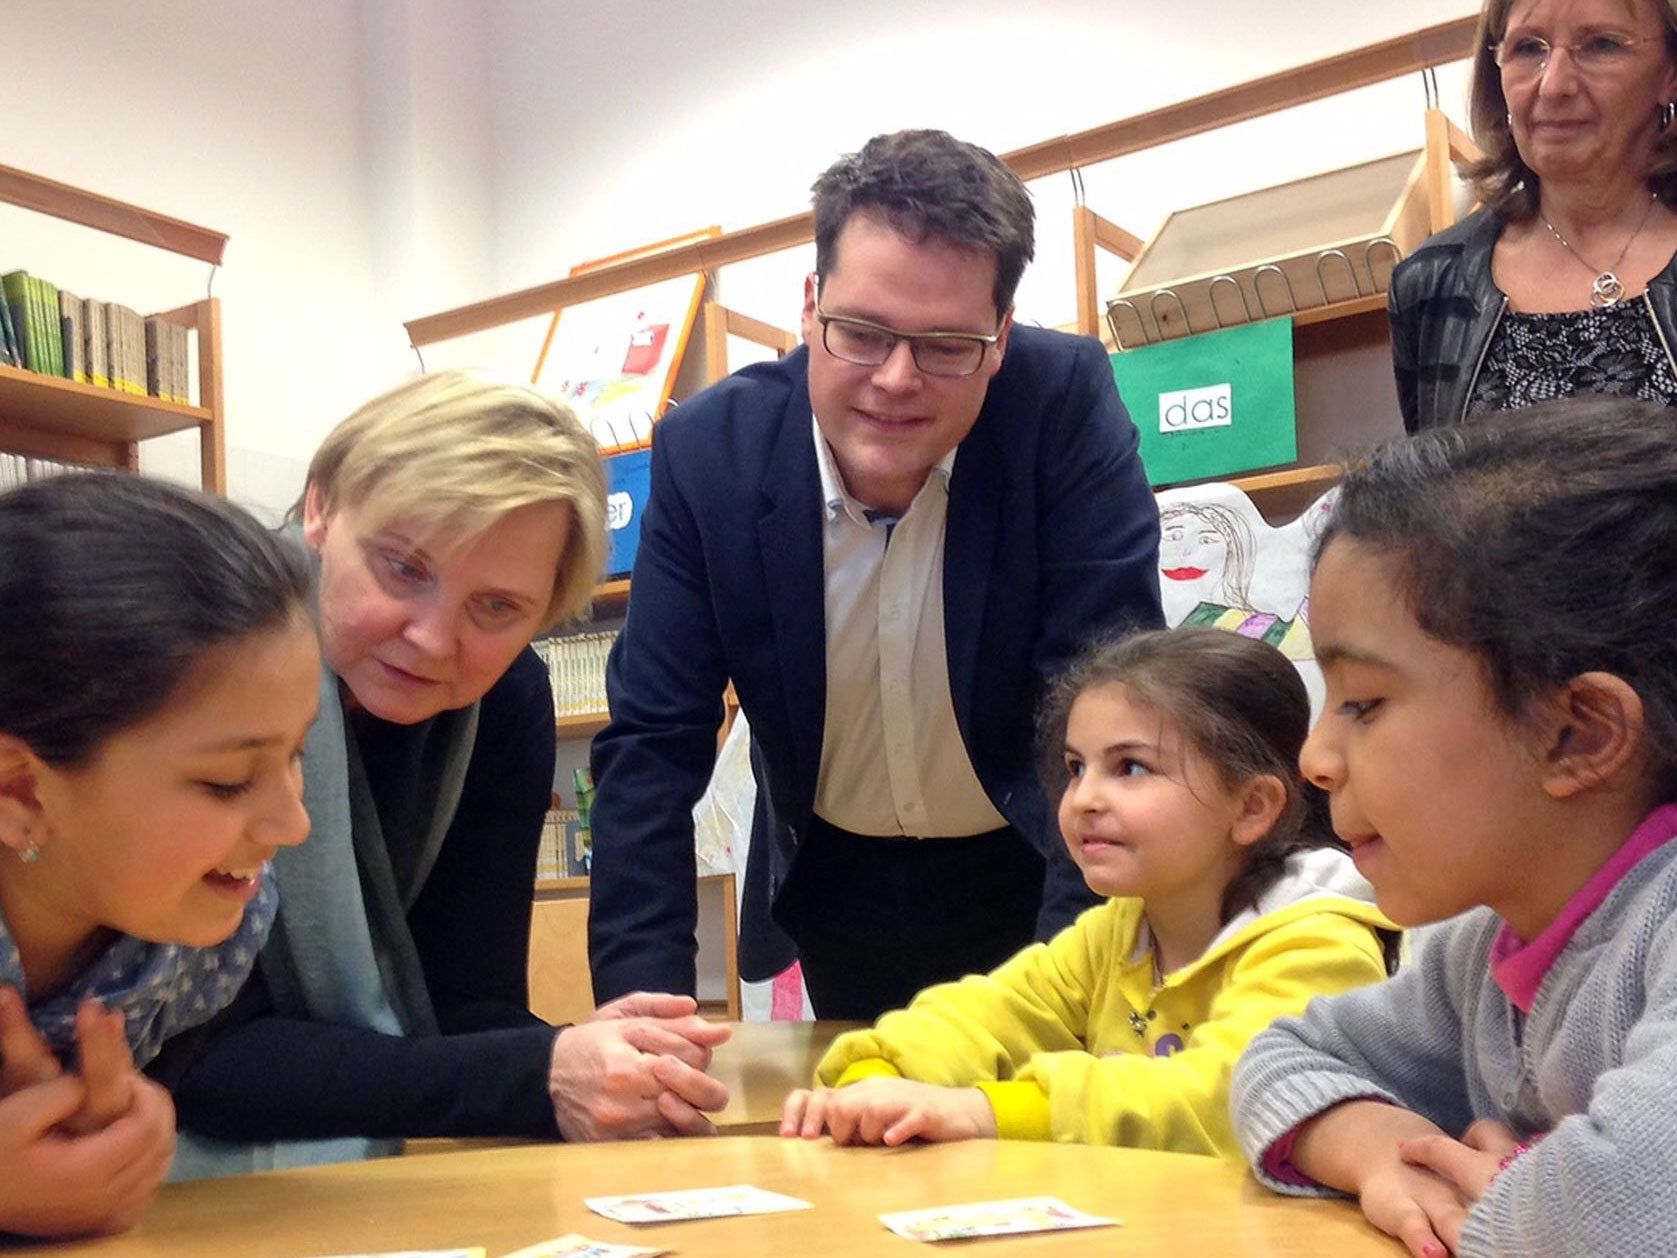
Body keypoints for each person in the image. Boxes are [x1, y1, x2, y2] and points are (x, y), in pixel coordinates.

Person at [588, 129, 1163, 1021]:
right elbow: (651, 746)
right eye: (860, 333)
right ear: (810, 306)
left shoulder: (1060, 408)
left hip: (1037, 861)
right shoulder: (713, 455)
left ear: (1003, 334)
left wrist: (1066, 1007)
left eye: (945, 346)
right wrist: (642, 1012)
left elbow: (1108, 702)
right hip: (837, 886)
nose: (895, 380)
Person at [150, 370, 730, 1177]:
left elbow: (462, 1001)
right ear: (320, 508)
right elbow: (183, 1058)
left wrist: (610, 1062)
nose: (431, 638)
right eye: (402, 568)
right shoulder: (192, 659)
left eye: (496, 608)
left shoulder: (505, 699)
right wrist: (537, 1073)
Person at [1231, 397, 1677, 1257]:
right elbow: (1282, 1057)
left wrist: (1518, 1201)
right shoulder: (1480, 945)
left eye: (1362, 703)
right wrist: (1378, 1153)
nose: (1314, 759)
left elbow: (1625, 1212)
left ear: (1576, 733)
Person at [777, 626, 1391, 1157]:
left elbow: (1227, 1098)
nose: (1085, 799)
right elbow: (984, 1014)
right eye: (1077, 768)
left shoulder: (1320, 943)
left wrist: (983, 1112)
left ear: (1252, 807)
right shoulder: (1118, 933)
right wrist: (876, 1075)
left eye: (1130, 767)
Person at [0, 473, 318, 1236]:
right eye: (226, 781)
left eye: (298, 753)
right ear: (21, 793)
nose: (293, 823)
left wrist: (104, 1146)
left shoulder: (202, 934)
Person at [1390, 0, 1677, 430]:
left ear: (1670, 74)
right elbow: (1433, 489)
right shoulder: (1432, 285)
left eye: (1600, 45)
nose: (1554, 85)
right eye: (1528, 48)